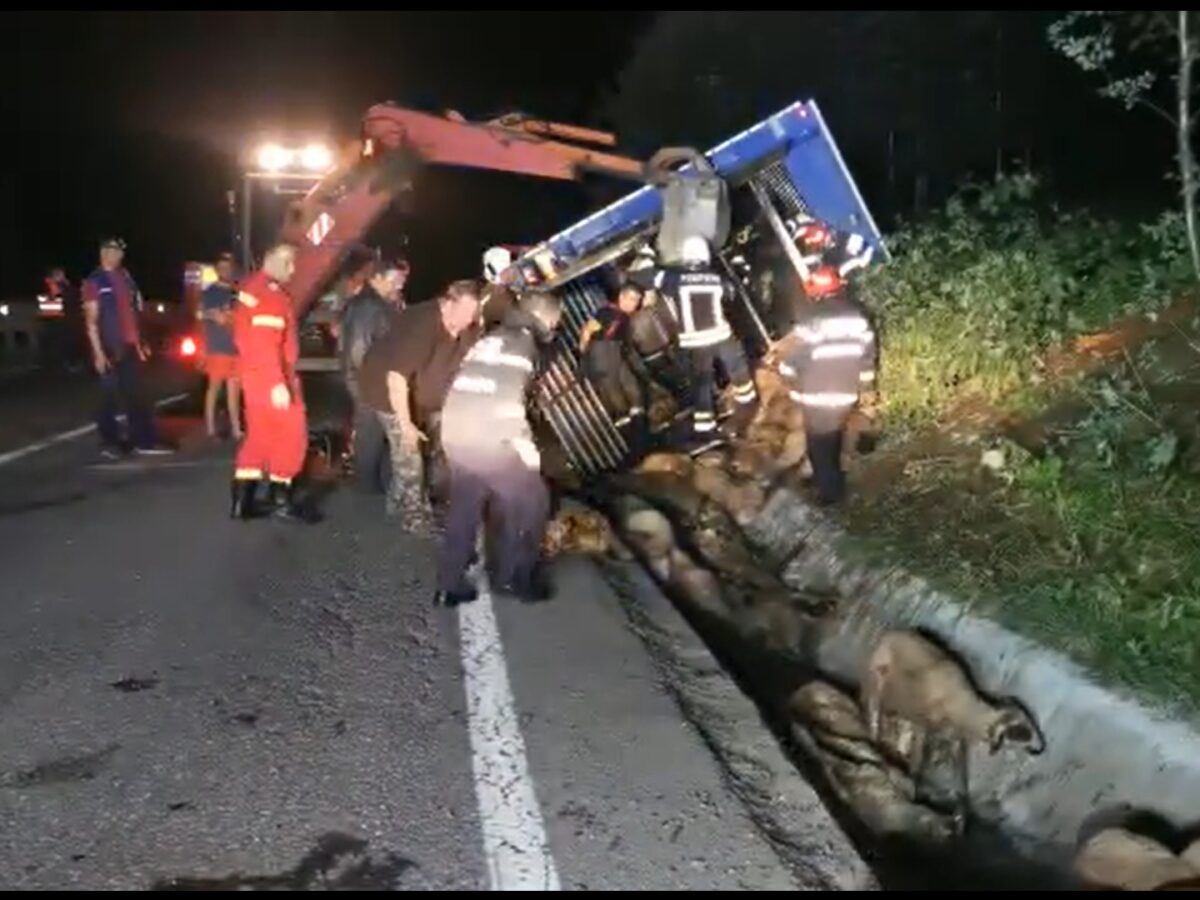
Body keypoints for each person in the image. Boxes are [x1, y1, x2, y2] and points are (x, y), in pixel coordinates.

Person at [436, 291, 561, 606]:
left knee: (465, 505)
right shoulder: (523, 344)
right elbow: (506, 398)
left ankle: (448, 585)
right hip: (487, 435)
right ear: (543, 318)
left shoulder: (492, 338)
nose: (555, 328)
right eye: (555, 322)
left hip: (456, 430)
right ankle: (515, 580)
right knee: (533, 501)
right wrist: (523, 445)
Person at [356, 279, 482, 523]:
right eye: (464, 312)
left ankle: (395, 502)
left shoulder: (467, 327)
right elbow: (396, 378)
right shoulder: (422, 325)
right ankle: (414, 518)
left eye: (473, 314)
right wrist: (406, 426)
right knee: (409, 454)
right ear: (447, 304)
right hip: (386, 391)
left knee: (421, 453)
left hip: (420, 394)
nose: (468, 319)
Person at [630, 235, 758, 452]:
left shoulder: (675, 279)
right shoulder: (715, 278)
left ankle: (705, 431)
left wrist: (646, 254)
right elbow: (731, 292)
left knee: (702, 383)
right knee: (738, 369)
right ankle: (747, 409)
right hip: (721, 335)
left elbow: (642, 277)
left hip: (696, 342)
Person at [778, 264, 877, 506]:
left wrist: (788, 380)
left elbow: (791, 362)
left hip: (817, 396)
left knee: (818, 445)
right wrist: (866, 390)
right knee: (832, 435)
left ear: (814, 291)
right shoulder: (858, 317)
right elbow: (867, 359)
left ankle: (831, 495)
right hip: (846, 393)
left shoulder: (809, 321)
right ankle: (829, 476)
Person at [229, 243, 313, 522]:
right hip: (274, 377)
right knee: (292, 437)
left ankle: (242, 504)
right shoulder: (272, 294)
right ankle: (281, 501)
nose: (293, 271)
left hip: (254, 377)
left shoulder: (251, 287)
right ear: (279, 263)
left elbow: (247, 337)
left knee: (259, 438)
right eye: (290, 265)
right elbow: (266, 341)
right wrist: (277, 382)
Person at [82, 238, 172, 458]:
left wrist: (141, 343)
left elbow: (135, 311)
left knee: (137, 395)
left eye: (120, 252)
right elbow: (91, 320)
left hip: (130, 345)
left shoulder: (126, 278)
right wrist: (98, 353)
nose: (117, 256)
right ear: (103, 252)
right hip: (109, 346)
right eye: (112, 251)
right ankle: (109, 442)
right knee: (108, 397)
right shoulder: (95, 281)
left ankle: (144, 440)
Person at [340, 259, 410, 494]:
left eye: (401, 281)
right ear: (377, 278)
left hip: (373, 380)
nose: (399, 286)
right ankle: (367, 490)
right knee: (370, 436)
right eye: (395, 281)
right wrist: (367, 387)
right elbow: (358, 350)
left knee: (375, 435)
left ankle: (371, 484)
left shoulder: (377, 303)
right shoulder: (368, 307)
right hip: (369, 382)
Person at [578, 279, 649, 456]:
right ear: (621, 297)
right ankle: (631, 442)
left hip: (615, 353)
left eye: (636, 300)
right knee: (614, 395)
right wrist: (584, 355)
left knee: (632, 388)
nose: (633, 304)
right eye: (631, 299)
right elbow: (587, 331)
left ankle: (643, 433)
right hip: (601, 353)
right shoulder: (606, 312)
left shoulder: (625, 317)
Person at [200, 252, 242, 441]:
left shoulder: (237, 291)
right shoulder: (210, 292)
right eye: (222, 267)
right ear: (217, 270)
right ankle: (210, 429)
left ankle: (236, 429)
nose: (226, 270)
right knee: (214, 388)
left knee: (234, 389)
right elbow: (206, 315)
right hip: (217, 347)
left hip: (236, 347)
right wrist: (219, 316)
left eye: (228, 266)